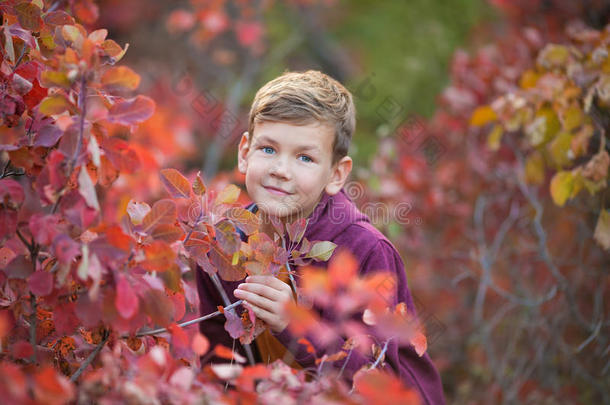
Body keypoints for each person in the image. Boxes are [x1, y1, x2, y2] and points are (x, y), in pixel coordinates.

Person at [195, 70, 445, 404]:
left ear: (336, 174)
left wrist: (294, 324)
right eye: (268, 149)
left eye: (305, 157)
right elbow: (219, 360)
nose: (281, 169)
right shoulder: (225, 244)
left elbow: (373, 381)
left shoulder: (365, 249)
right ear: (244, 151)